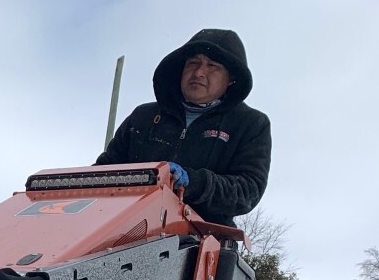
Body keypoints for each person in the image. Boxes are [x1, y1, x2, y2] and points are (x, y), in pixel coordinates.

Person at [98, 29, 270, 227]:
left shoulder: (251, 124)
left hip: (203, 239)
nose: (199, 73)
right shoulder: (142, 117)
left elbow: (248, 190)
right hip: (127, 230)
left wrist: (193, 183)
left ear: (231, 79)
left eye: (212, 66)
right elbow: (105, 170)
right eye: (193, 63)